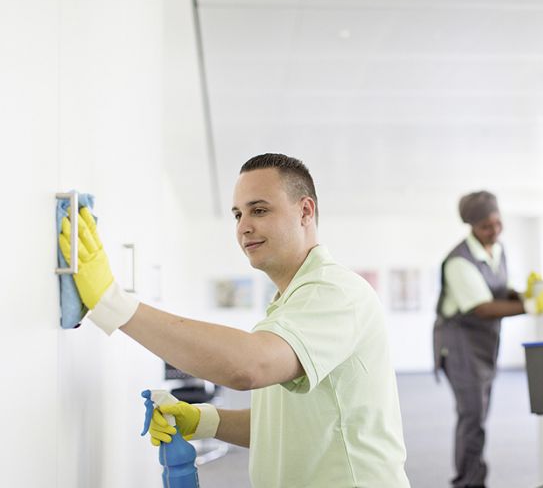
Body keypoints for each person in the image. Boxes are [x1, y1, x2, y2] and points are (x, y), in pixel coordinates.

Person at [60, 153, 411, 488]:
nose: (244, 227)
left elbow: (248, 367)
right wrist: (203, 419)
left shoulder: (335, 292)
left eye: (258, 210)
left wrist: (113, 303)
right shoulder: (291, 303)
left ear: (305, 211)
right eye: (237, 215)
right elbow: (285, 426)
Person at [432, 191, 543, 488]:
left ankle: (473, 478)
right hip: (460, 346)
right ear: (472, 226)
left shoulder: (496, 249)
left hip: (483, 346)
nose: (495, 230)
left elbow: (497, 291)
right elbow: (482, 307)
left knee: (478, 415)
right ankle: (468, 482)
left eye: (498, 222)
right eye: (487, 226)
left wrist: (524, 293)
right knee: (472, 417)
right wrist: (529, 307)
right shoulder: (458, 262)